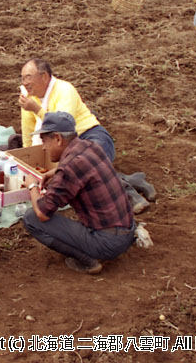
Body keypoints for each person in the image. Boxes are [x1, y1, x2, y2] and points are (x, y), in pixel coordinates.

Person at [0, 58, 154, 213]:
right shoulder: (31, 99)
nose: (25, 83)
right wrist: (30, 159)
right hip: (63, 146)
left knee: (83, 168)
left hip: (89, 137)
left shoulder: (64, 90)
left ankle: (129, 191)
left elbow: (64, 128)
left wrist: (36, 109)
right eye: (22, 79)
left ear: (44, 76)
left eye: (28, 77)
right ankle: (134, 180)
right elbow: (29, 131)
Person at [24, 112, 136, 275]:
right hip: (127, 230)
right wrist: (55, 172)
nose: (43, 148)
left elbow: (42, 213)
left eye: (44, 141)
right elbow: (81, 165)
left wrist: (32, 185)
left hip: (108, 243)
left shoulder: (69, 169)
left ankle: (87, 261)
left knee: (31, 218)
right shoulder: (91, 146)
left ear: (58, 139)